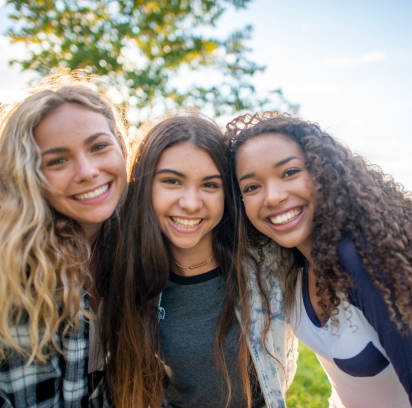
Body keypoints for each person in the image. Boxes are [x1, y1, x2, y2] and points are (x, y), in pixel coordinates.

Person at [226, 113, 412, 408]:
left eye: (290, 172)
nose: (272, 197)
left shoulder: (364, 259)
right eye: (251, 187)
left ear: (324, 173)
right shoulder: (285, 263)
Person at [0, 77, 127, 407]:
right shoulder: (21, 272)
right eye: (57, 160)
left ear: (121, 146)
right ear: (28, 176)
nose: (87, 171)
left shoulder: (124, 234)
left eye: (99, 147)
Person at [97, 115, 297, 408]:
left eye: (210, 185)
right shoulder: (128, 271)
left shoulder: (268, 260)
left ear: (227, 193)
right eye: (171, 181)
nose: (191, 203)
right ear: (144, 186)